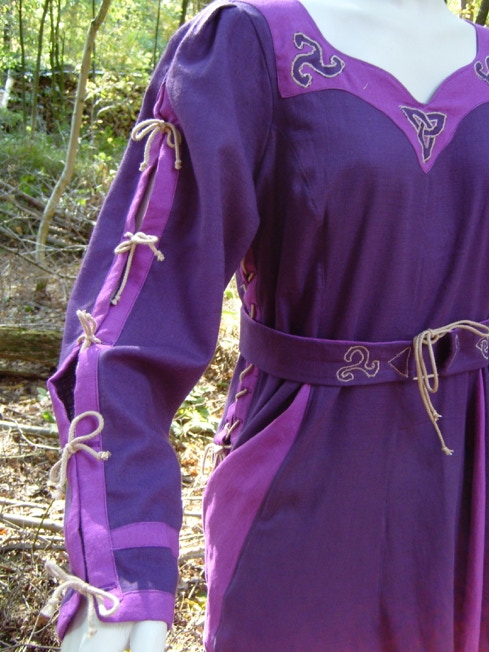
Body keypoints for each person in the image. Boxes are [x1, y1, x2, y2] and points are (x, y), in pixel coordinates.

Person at [45, 0, 489, 649]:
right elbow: (134, 320)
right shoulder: (249, 46)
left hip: (470, 484)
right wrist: (123, 558)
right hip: (303, 480)